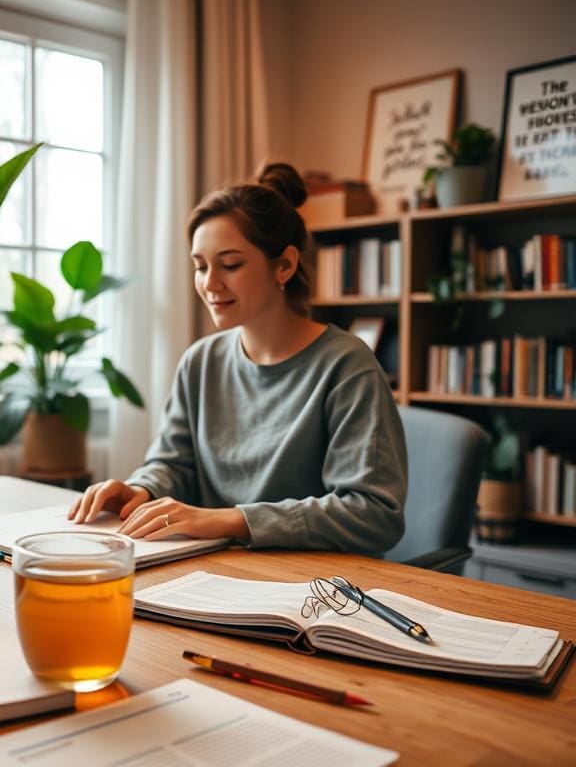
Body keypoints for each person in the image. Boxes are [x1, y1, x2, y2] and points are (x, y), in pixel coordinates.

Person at [68, 163, 407, 555]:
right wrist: (141, 490)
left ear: (285, 265)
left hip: (316, 580)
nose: (210, 283)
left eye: (230, 264)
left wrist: (232, 520)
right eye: (200, 266)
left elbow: (374, 513)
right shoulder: (200, 362)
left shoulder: (347, 366)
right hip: (221, 568)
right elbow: (174, 465)